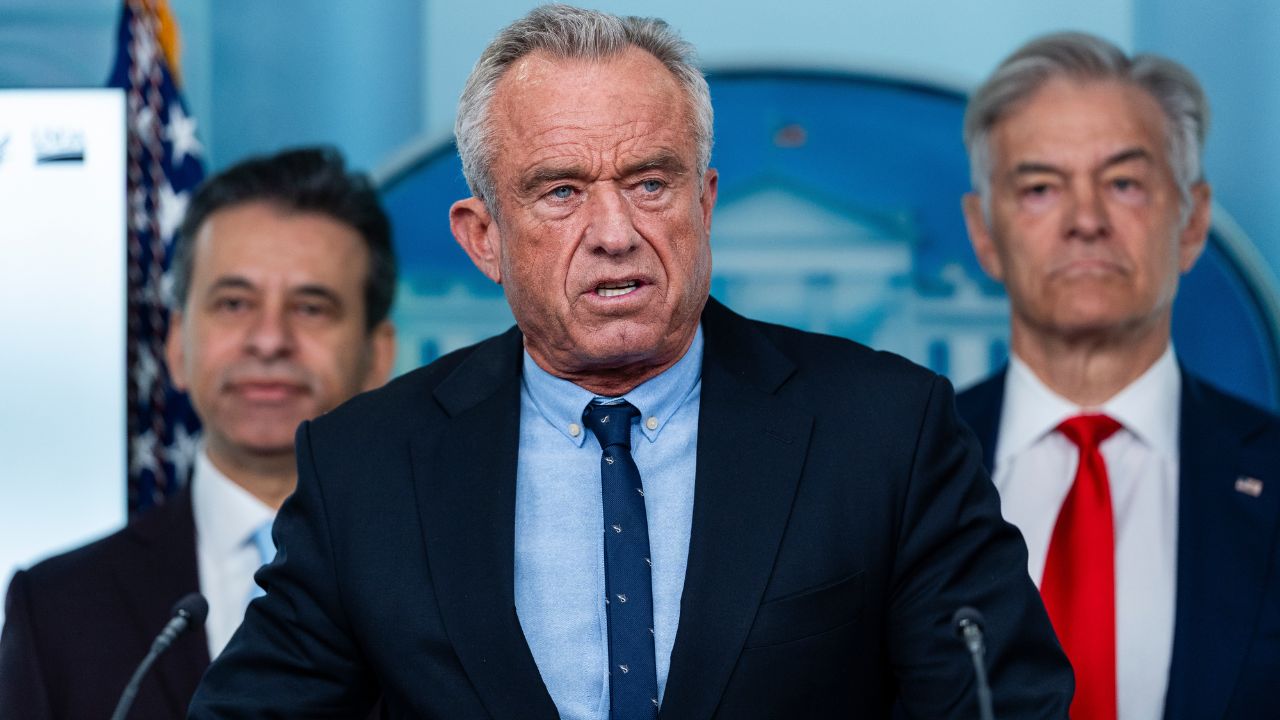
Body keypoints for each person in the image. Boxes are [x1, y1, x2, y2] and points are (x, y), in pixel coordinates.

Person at [190, 7, 1072, 718]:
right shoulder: (368, 469)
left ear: (705, 201)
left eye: (650, 183)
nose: (615, 234)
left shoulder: (883, 430)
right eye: (562, 191)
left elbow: (1005, 703)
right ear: (483, 236)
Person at [0, 146, 398, 719]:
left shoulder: (449, 584)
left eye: (311, 308)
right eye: (234, 303)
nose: (268, 340)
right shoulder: (57, 606)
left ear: (377, 354)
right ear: (177, 346)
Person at [956, 32, 1280, 720]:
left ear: (1192, 223)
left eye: (1125, 183)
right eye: (1041, 187)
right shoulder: (888, 479)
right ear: (984, 232)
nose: (1087, 221)